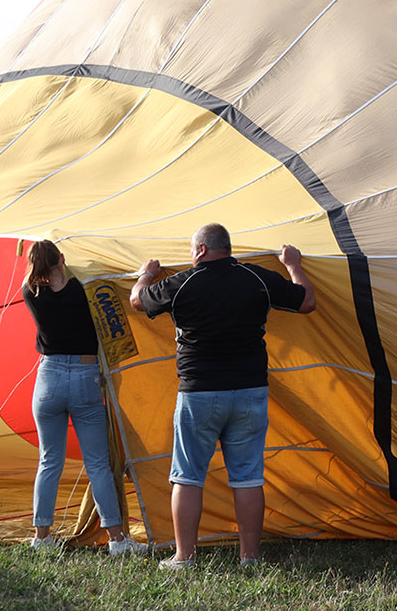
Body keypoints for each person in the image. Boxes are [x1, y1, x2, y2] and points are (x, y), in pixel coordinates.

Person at [129, 223, 315, 570]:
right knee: (248, 476)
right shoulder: (255, 278)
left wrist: (145, 274)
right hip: (249, 392)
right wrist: (292, 265)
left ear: (200, 250)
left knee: (187, 475)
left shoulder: (182, 283)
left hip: (199, 392)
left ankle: (184, 558)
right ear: (226, 248)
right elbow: (306, 301)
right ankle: (250, 558)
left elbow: (137, 300)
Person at [21, 239, 148, 555]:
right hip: (84, 377)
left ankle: (41, 537)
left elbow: (39, 277)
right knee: (98, 465)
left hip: (48, 379)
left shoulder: (30, 292)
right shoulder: (84, 289)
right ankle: (118, 540)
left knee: (49, 461)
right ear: (62, 258)